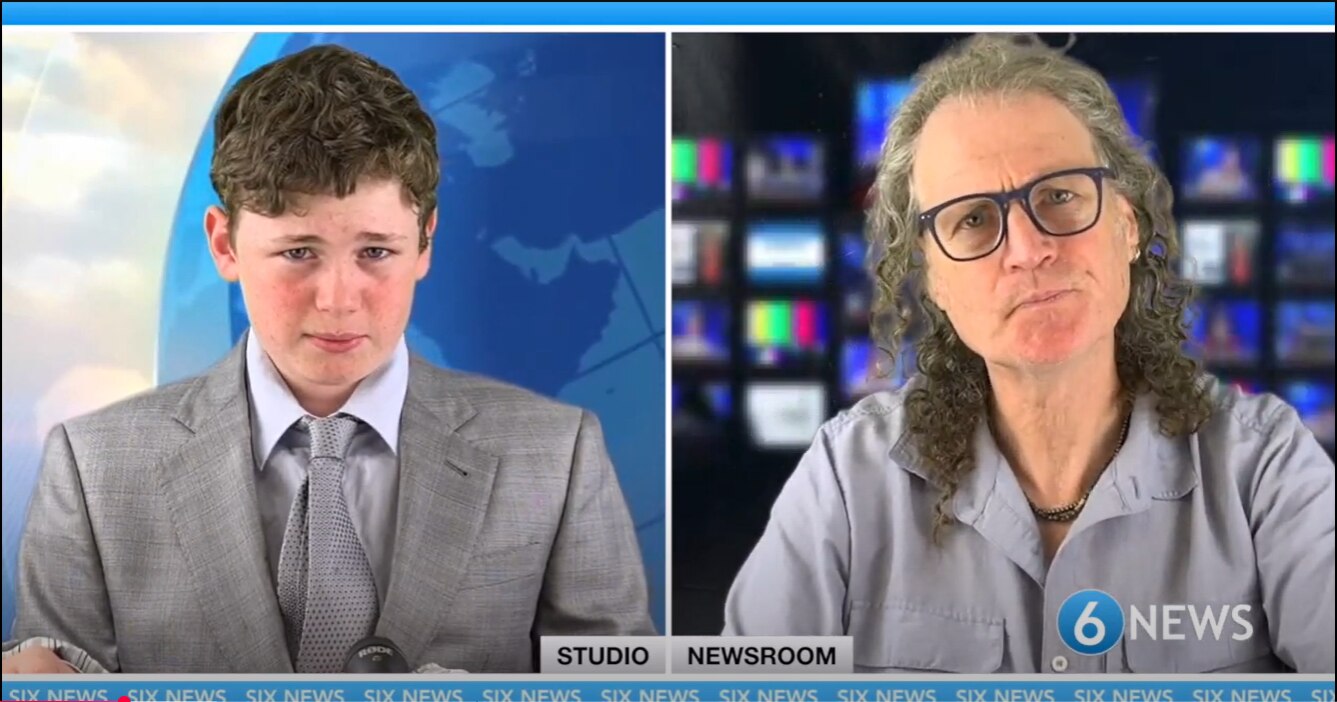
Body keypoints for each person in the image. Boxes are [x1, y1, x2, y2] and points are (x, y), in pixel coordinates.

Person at [3, 44, 654, 675]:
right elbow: (49, 676)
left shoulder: (556, 458)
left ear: (425, 243)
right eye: (298, 252)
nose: (339, 300)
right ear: (224, 244)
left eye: (376, 252)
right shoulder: (92, 471)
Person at [722, 35, 1335, 674]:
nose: (1027, 249)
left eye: (1060, 197)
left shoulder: (1263, 469)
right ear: (934, 278)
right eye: (974, 220)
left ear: (1126, 225)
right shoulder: (847, 481)